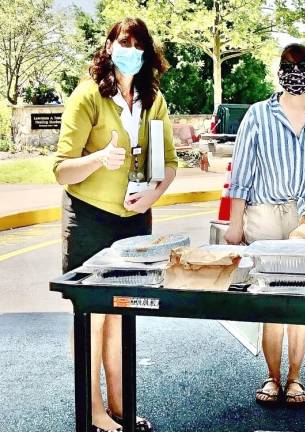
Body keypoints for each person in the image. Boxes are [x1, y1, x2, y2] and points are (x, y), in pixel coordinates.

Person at [54, 18, 178, 432]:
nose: (131, 51)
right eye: (123, 43)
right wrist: (97, 159)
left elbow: (169, 164)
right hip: (90, 218)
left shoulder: (152, 99)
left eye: (138, 44)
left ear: (148, 53)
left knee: (123, 311)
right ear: (108, 47)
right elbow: (61, 170)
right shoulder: (87, 96)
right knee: (93, 315)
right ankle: (92, 412)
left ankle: (121, 409)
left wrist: (152, 195)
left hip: (134, 219)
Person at [224, 43, 305, 406]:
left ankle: (295, 378)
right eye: (287, 65)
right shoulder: (258, 115)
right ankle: (272, 376)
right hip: (264, 215)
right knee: (271, 299)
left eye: (303, 65)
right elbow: (241, 175)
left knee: (302, 298)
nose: (295, 72)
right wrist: (234, 227)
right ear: (278, 71)